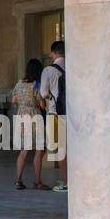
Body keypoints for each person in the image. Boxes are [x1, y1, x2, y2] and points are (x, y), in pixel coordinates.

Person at [11, 59, 46, 190]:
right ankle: (37, 181)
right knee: (39, 150)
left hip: (21, 116)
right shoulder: (37, 85)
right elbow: (42, 104)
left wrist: (23, 102)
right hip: (34, 116)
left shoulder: (19, 83)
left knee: (24, 151)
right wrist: (37, 103)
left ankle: (18, 180)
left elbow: (14, 100)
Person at [38, 41, 67, 191]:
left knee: (61, 149)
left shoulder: (49, 70)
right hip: (76, 113)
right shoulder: (74, 65)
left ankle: (66, 182)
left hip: (56, 113)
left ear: (52, 53)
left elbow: (43, 93)